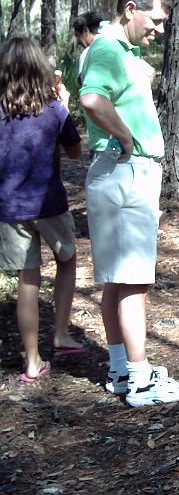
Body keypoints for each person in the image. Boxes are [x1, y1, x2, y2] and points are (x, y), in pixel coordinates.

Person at [79, 0, 179, 407]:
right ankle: (141, 380)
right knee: (134, 282)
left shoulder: (113, 49)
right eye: (156, 19)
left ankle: (122, 369)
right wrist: (126, 138)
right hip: (125, 170)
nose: (160, 29)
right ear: (130, 8)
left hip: (117, 173)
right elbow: (92, 100)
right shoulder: (108, 48)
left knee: (117, 280)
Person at [0, 37, 83, 382]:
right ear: (41, 70)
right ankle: (61, 334)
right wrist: (64, 104)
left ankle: (32, 362)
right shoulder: (53, 108)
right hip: (48, 203)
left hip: (9, 208)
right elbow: (76, 151)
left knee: (27, 280)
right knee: (67, 260)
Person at [72, 11, 104, 81]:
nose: (77, 42)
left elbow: (86, 88)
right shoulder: (118, 45)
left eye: (77, 36)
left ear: (86, 30)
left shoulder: (87, 55)